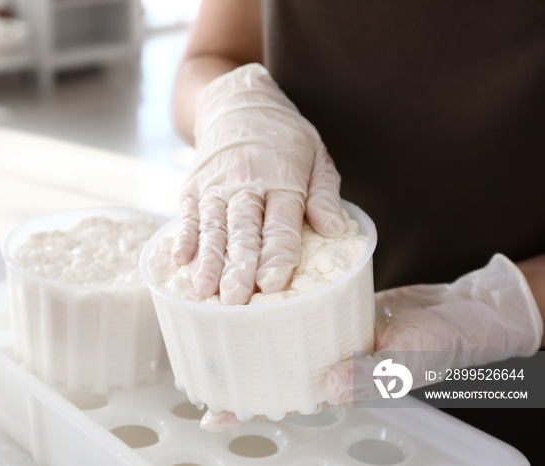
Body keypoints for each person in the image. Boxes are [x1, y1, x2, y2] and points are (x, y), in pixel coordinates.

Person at [169, 0, 545, 460]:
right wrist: (231, 107)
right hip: (319, 363)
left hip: (516, 376)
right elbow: (208, 57)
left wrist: (498, 311)